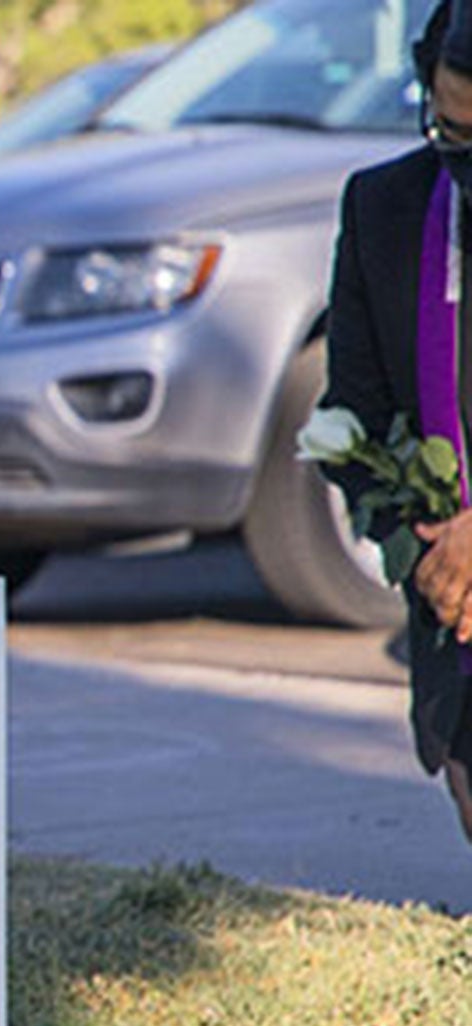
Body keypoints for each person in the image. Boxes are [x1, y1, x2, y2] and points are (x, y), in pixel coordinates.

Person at [320, 0, 472, 839]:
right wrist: (435, 554)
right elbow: (353, 419)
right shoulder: (387, 208)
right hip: (459, 617)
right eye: (451, 135)